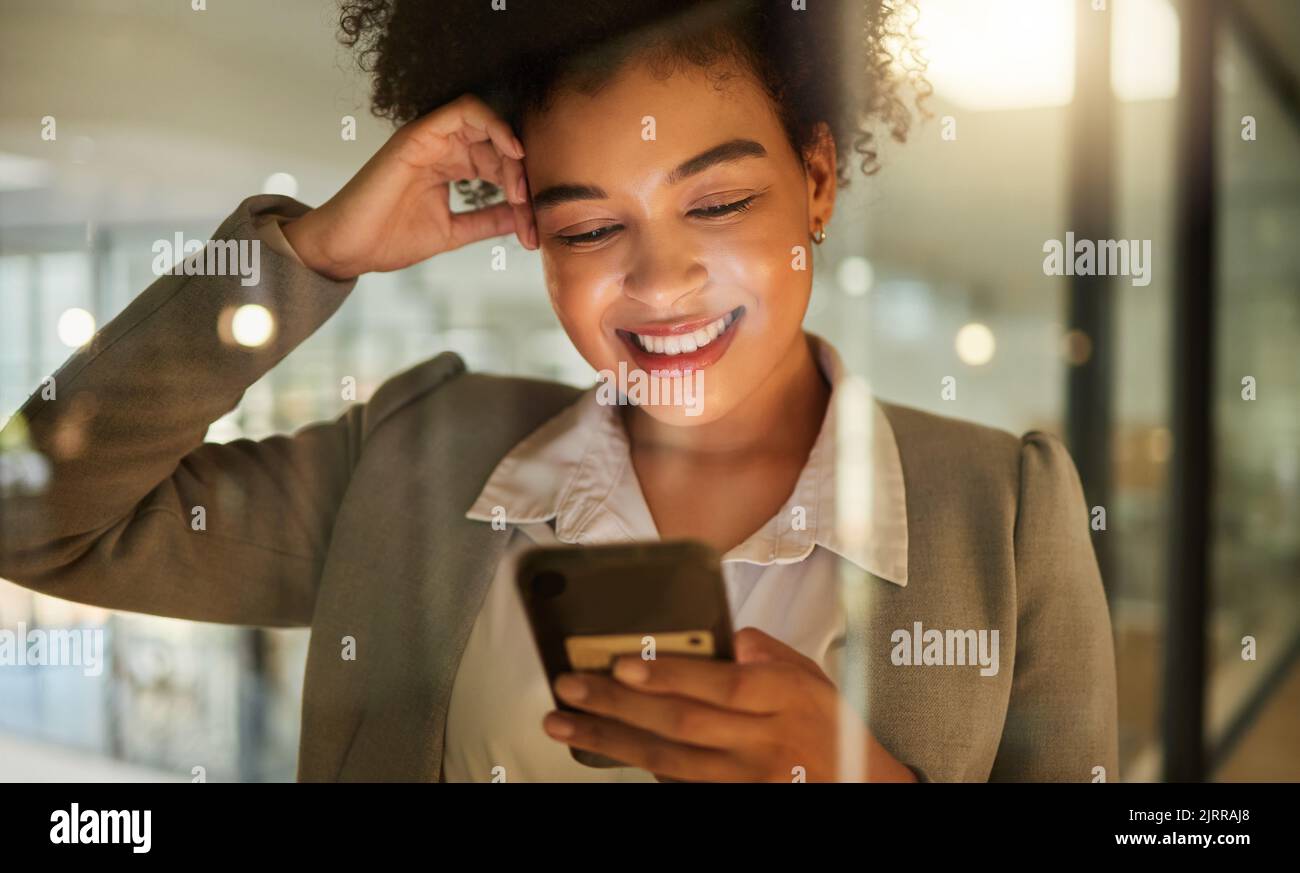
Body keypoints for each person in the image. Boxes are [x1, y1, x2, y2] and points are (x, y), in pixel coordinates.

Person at [0, 0, 1117, 782]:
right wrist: (311, 254)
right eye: (589, 226)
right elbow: (32, 516)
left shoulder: (1006, 515)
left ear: (816, 180)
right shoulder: (413, 460)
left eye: (717, 205)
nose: (662, 282)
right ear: (533, 235)